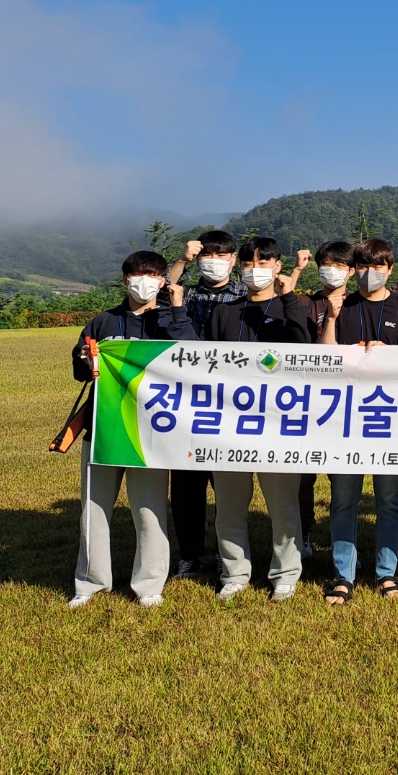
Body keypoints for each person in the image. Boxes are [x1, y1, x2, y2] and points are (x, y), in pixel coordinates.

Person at [68, 251, 198, 608]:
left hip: (151, 433)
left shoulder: (169, 320)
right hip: (104, 429)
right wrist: (85, 359)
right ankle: (89, 584)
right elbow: (79, 371)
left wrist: (177, 310)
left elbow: (194, 357)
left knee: (150, 510)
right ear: (125, 280)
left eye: (153, 275)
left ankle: (150, 584)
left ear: (163, 280)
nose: (145, 282)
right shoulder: (104, 321)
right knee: (93, 510)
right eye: (138, 275)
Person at [203, 236, 313, 601]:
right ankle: (234, 572)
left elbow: (304, 349)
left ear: (278, 266)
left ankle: (286, 573)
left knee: (283, 505)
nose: (255, 270)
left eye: (263, 263)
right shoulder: (225, 312)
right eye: (249, 264)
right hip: (229, 424)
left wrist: (289, 298)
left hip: (278, 424)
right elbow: (205, 364)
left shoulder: (292, 307)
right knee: (229, 506)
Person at [319, 237, 398, 604]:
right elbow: (325, 359)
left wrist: (387, 354)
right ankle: (342, 576)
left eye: (377, 266)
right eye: (362, 266)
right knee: (343, 500)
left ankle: (386, 573)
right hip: (346, 418)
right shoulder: (342, 306)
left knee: (389, 500)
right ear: (354, 270)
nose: (369, 273)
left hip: (389, 418)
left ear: (390, 269)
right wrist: (331, 319)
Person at [165, 230, 248, 579]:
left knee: (228, 487)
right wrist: (181, 260)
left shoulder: (244, 294)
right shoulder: (186, 293)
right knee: (186, 487)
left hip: (231, 402)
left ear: (233, 260)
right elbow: (161, 289)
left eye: (221, 255)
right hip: (188, 401)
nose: (214, 262)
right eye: (207, 256)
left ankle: (226, 554)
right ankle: (190, 555)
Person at [296, 239, 353, 554]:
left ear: (352, 271)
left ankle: (342, 539)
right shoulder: (305, 304)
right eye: (326, 264)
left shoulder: (357, 305)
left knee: (342, 477)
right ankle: (303, 533)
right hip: (307, 402)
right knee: (302, 477)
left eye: (339, 265)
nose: (331, 271)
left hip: (346, 404)